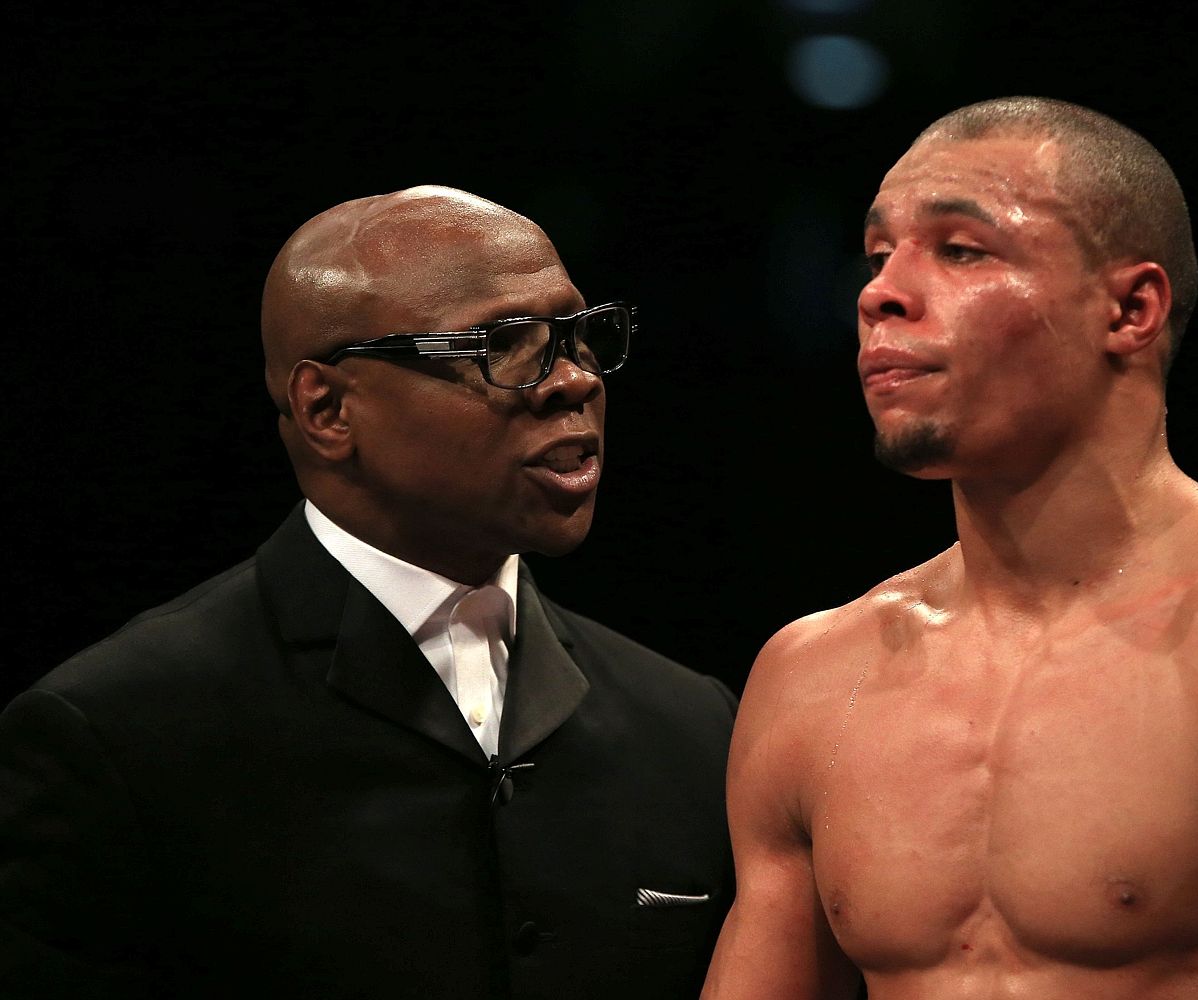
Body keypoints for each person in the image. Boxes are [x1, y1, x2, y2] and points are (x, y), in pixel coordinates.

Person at [703, 98, 1198, 999]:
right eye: (880, 254)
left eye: (961, 250)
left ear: (1130, 308)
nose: (879, 291)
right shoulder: (813, 680)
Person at [0, 186, 736, 999]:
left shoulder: (695, 727)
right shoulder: (117, 730)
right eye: (506, 343)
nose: (573, 382)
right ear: (327, 409)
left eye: (581, 336)